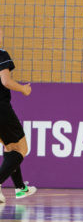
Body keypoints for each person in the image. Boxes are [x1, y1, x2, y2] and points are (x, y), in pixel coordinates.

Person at [0, 29, 37, 202]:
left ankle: (20, 188)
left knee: (10, 147)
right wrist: (24, 89)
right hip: (1, 108)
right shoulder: (1, 54)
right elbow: (6, 81)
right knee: (22, 149)